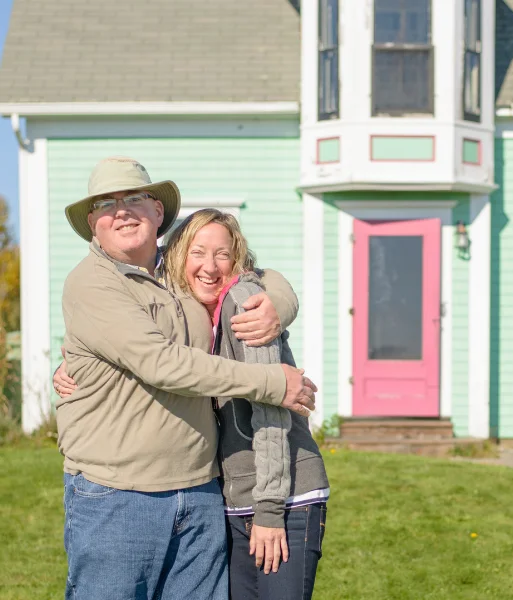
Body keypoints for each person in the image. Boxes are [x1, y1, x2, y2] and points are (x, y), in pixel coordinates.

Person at [55, 156, 317, 600]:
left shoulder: (180, 270)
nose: (121, 210)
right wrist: (274, 381)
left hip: (200, 492)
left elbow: (258, 275)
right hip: (118, 496)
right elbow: (162, 363)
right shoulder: (92, 284)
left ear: (158, 212)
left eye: (133, 198)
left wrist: (277, 303)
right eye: (105, 203)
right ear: (92, 223)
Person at [163, 209, 329, 600]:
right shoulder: (193, 312)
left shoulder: (243, 305)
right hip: (237, 499)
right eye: (198, 252)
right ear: (177, 256)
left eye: (222, 254)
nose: (209, 266)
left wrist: (269, 510)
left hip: (284, 498)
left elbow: (270, 410)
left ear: (237, 258)